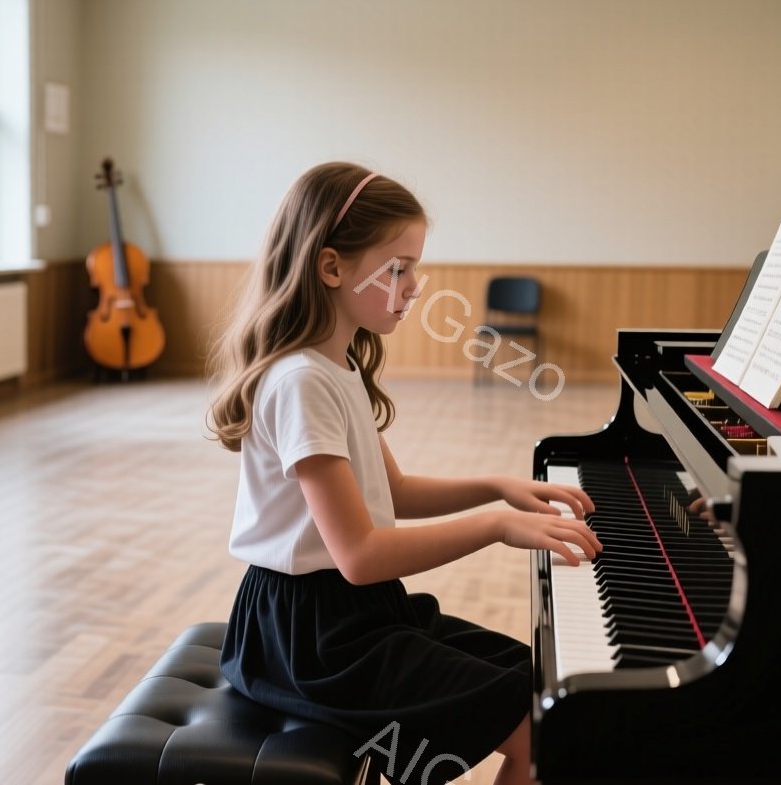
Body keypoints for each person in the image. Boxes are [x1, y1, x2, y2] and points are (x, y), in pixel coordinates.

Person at [207, 162, 600, 785]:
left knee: (544, 688)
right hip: (311, 641)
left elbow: (392, 492)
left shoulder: (337, 367)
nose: (415, 285)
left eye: (414, 266)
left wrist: (497, 487)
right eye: (397, 268)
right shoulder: (303, 380)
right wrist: (496, 525)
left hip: (351, 615)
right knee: (541, 725)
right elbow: (360, 554)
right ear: (331, 266)